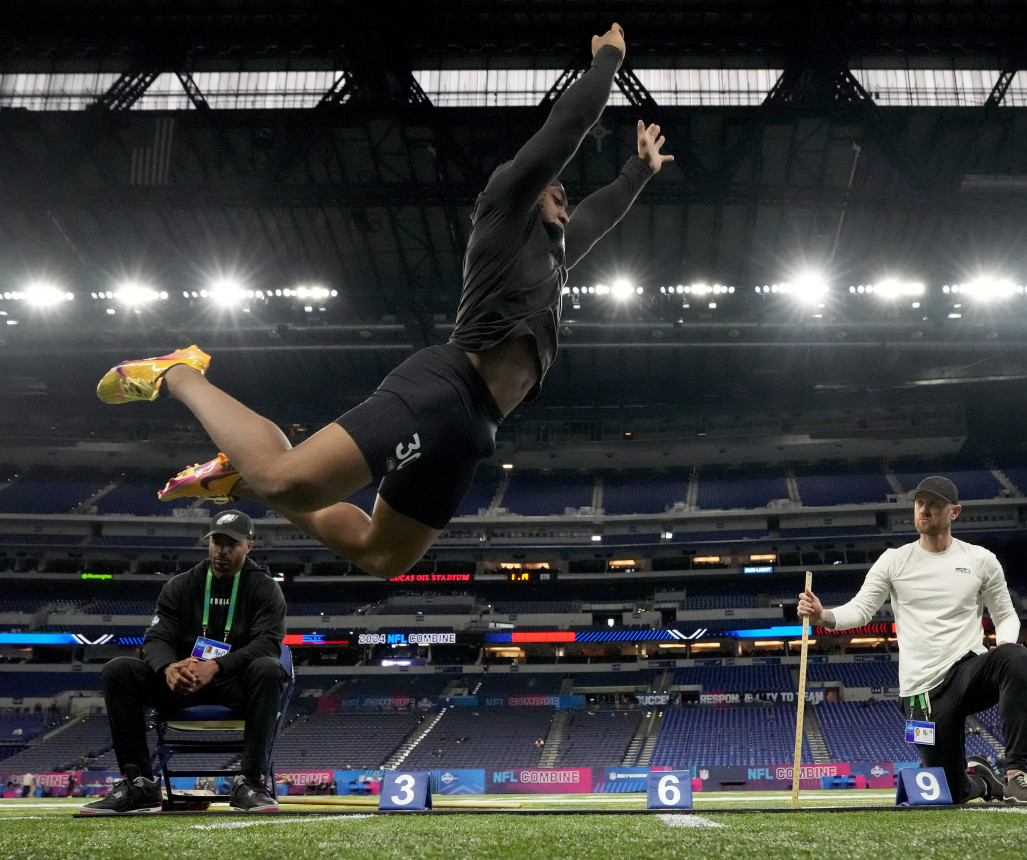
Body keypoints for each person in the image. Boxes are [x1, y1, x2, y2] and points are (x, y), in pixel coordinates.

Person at [94, 23, 671, 581]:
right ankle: (178, 372)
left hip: (475, 426)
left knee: (384, 556)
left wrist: (639, 170)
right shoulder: (502, 213)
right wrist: (608, 62)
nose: (567, 205)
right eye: (558, 194)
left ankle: (234, 480)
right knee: (286, 480)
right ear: (527, 191)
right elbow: (565, 130)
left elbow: (597, 216)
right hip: (444, 388)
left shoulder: (552, 259)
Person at [798, 476, 1027, 805]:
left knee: (1015, 656)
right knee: (950, 793)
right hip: (919, 693)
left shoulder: (980, 559)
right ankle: (983, 782)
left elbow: (1006, 616)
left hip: (966, 671)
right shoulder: (894, 560)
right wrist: (823, 616)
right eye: (920, 503)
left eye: (934, 504)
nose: (924, 509)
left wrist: (1004, 641)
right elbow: (860, 610)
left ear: (954, 512)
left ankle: (1016, 773)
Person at [81, 510, 287, 814]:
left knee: (269, 668)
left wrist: (216, 666)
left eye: (231, 544)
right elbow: (156, 638)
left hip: (235, 684)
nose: (222, 551)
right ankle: (139, 786)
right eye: (217, 542)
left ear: (248, 546)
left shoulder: (264, 587)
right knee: (119, 671)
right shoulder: (181, 585)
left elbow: (267, 644)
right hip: (182, 683)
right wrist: (168, 668)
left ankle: (251, 783)